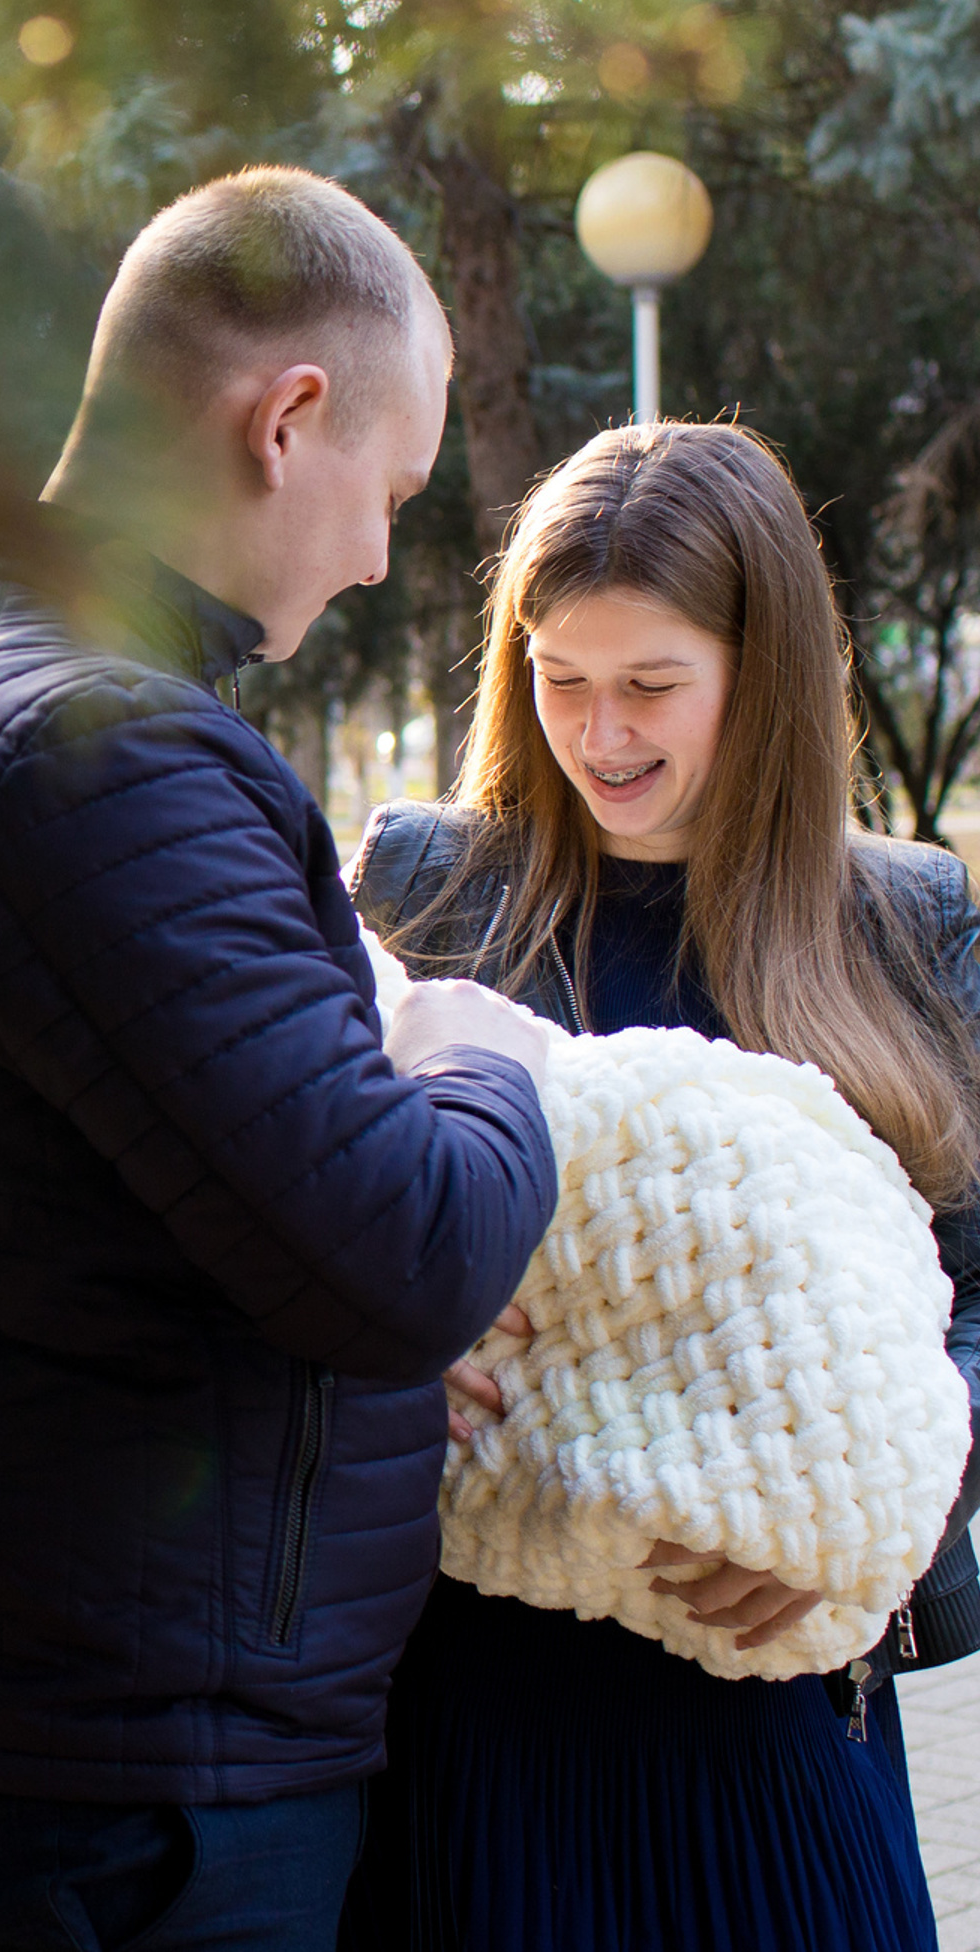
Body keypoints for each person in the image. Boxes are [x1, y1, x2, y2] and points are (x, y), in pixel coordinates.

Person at [0, 166, 559, 1952]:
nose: (380, 555)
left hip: (80, 1731)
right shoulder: (98, 751)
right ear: (289, 421)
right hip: (147, 1784)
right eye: (388, 490)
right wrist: (489, 1055)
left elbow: (181, 1203)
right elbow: (403, 1254)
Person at [344, 420, 980, 1952]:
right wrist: (372, 1353)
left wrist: (893, 1516)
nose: (598, 733)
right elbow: (290, 1212)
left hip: (772, 1710)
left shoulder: (909, 920)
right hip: (471, 1689)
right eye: (559, 676)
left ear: (761, 678)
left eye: (650, 686)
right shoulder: (428, 889)